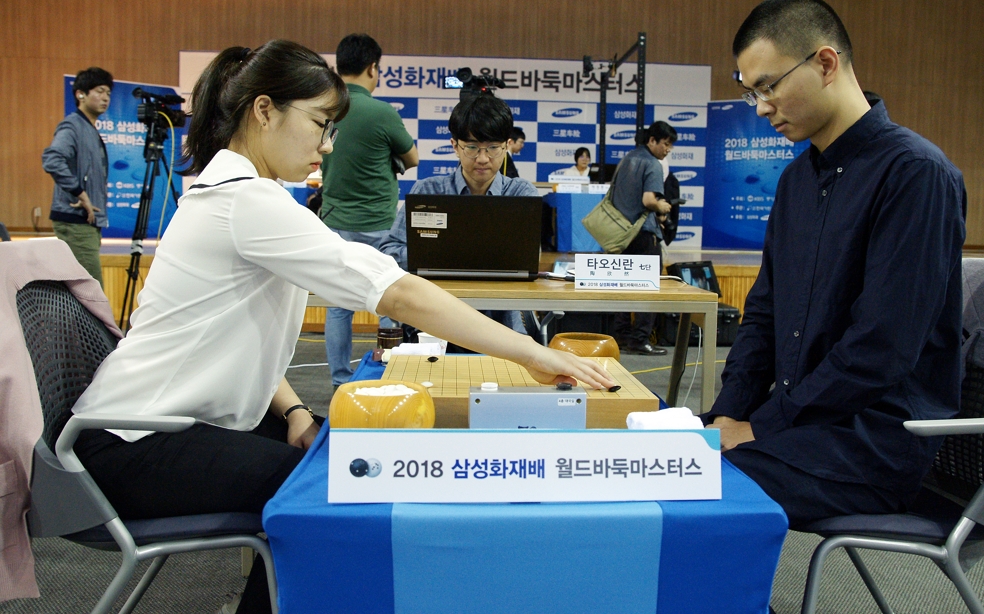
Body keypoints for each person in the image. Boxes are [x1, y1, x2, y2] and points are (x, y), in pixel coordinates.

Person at [70, 41, 614, 614]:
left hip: (156, 426)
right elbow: (397, 291)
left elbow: (243, 338)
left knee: (337, 453)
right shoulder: (245, 201)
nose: (327, 146)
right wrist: (531, 353)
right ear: (264, 111)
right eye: (320, 125)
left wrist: (295, 411)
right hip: (130, 441)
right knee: (337, 486)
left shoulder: (240, 194)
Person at [705, 0, 966, 525]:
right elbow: (764, 313)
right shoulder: (796, 181)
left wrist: (763, 426)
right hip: (802, 424)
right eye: (751, 92)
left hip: (873, 443)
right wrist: (729, 412)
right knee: (660, 456)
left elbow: (882, 347)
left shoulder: (916, 174)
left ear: (825, 63)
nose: (761, 108)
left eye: (768, 86)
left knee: (697, 486)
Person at [380, 94, 537, 333]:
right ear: (455, 146)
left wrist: (446, 255)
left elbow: (528, 259)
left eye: (493, 148)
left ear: (506, 146)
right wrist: (437, 256)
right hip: (433, 318)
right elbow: (388, 253)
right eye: (472, 147)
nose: (482, 159)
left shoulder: (521, 194)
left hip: (501, 318)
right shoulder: (428, 192)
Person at [320, 33, 419, 385]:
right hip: (379, 222)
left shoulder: (326, 109)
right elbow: (413, 158)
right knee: (390, 301)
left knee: (337, 307)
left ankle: (340, 380)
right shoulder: (381, 112)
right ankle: (390, 373)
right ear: (373, 68)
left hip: (333, 221)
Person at [41, 67, 113, 288]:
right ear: (80, 94)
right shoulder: (73, 125)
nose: (105, 97)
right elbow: (52, 159)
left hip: (87, 223)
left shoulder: (88, 128)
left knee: (81, 291)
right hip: (75, 220)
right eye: (99, 91)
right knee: (90, 291)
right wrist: (80, 193)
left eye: (108, 93)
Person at [609, 121, 674, 356]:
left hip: (621, 234)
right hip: (644, 234)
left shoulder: (627, 159)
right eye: (665, 144)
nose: (668, 150)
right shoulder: (652, 164)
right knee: (648, 287)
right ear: (652, 141)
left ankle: (621, 335)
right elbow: (648, 200)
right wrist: (662, 206)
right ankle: (640, 339)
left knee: (622, 286)